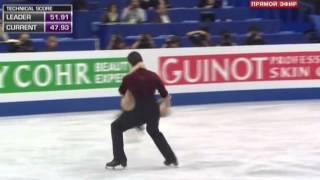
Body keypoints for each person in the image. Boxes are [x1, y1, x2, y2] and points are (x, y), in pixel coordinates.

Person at [106, 51, 178, 168]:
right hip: (153, 110)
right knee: (154, 131)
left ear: (130, 63)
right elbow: (164, 94)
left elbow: (122, 91)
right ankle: (171, 158)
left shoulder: (129, 78)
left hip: (137, 112)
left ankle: (119, 159)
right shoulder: (153, 75)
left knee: (116, 127)